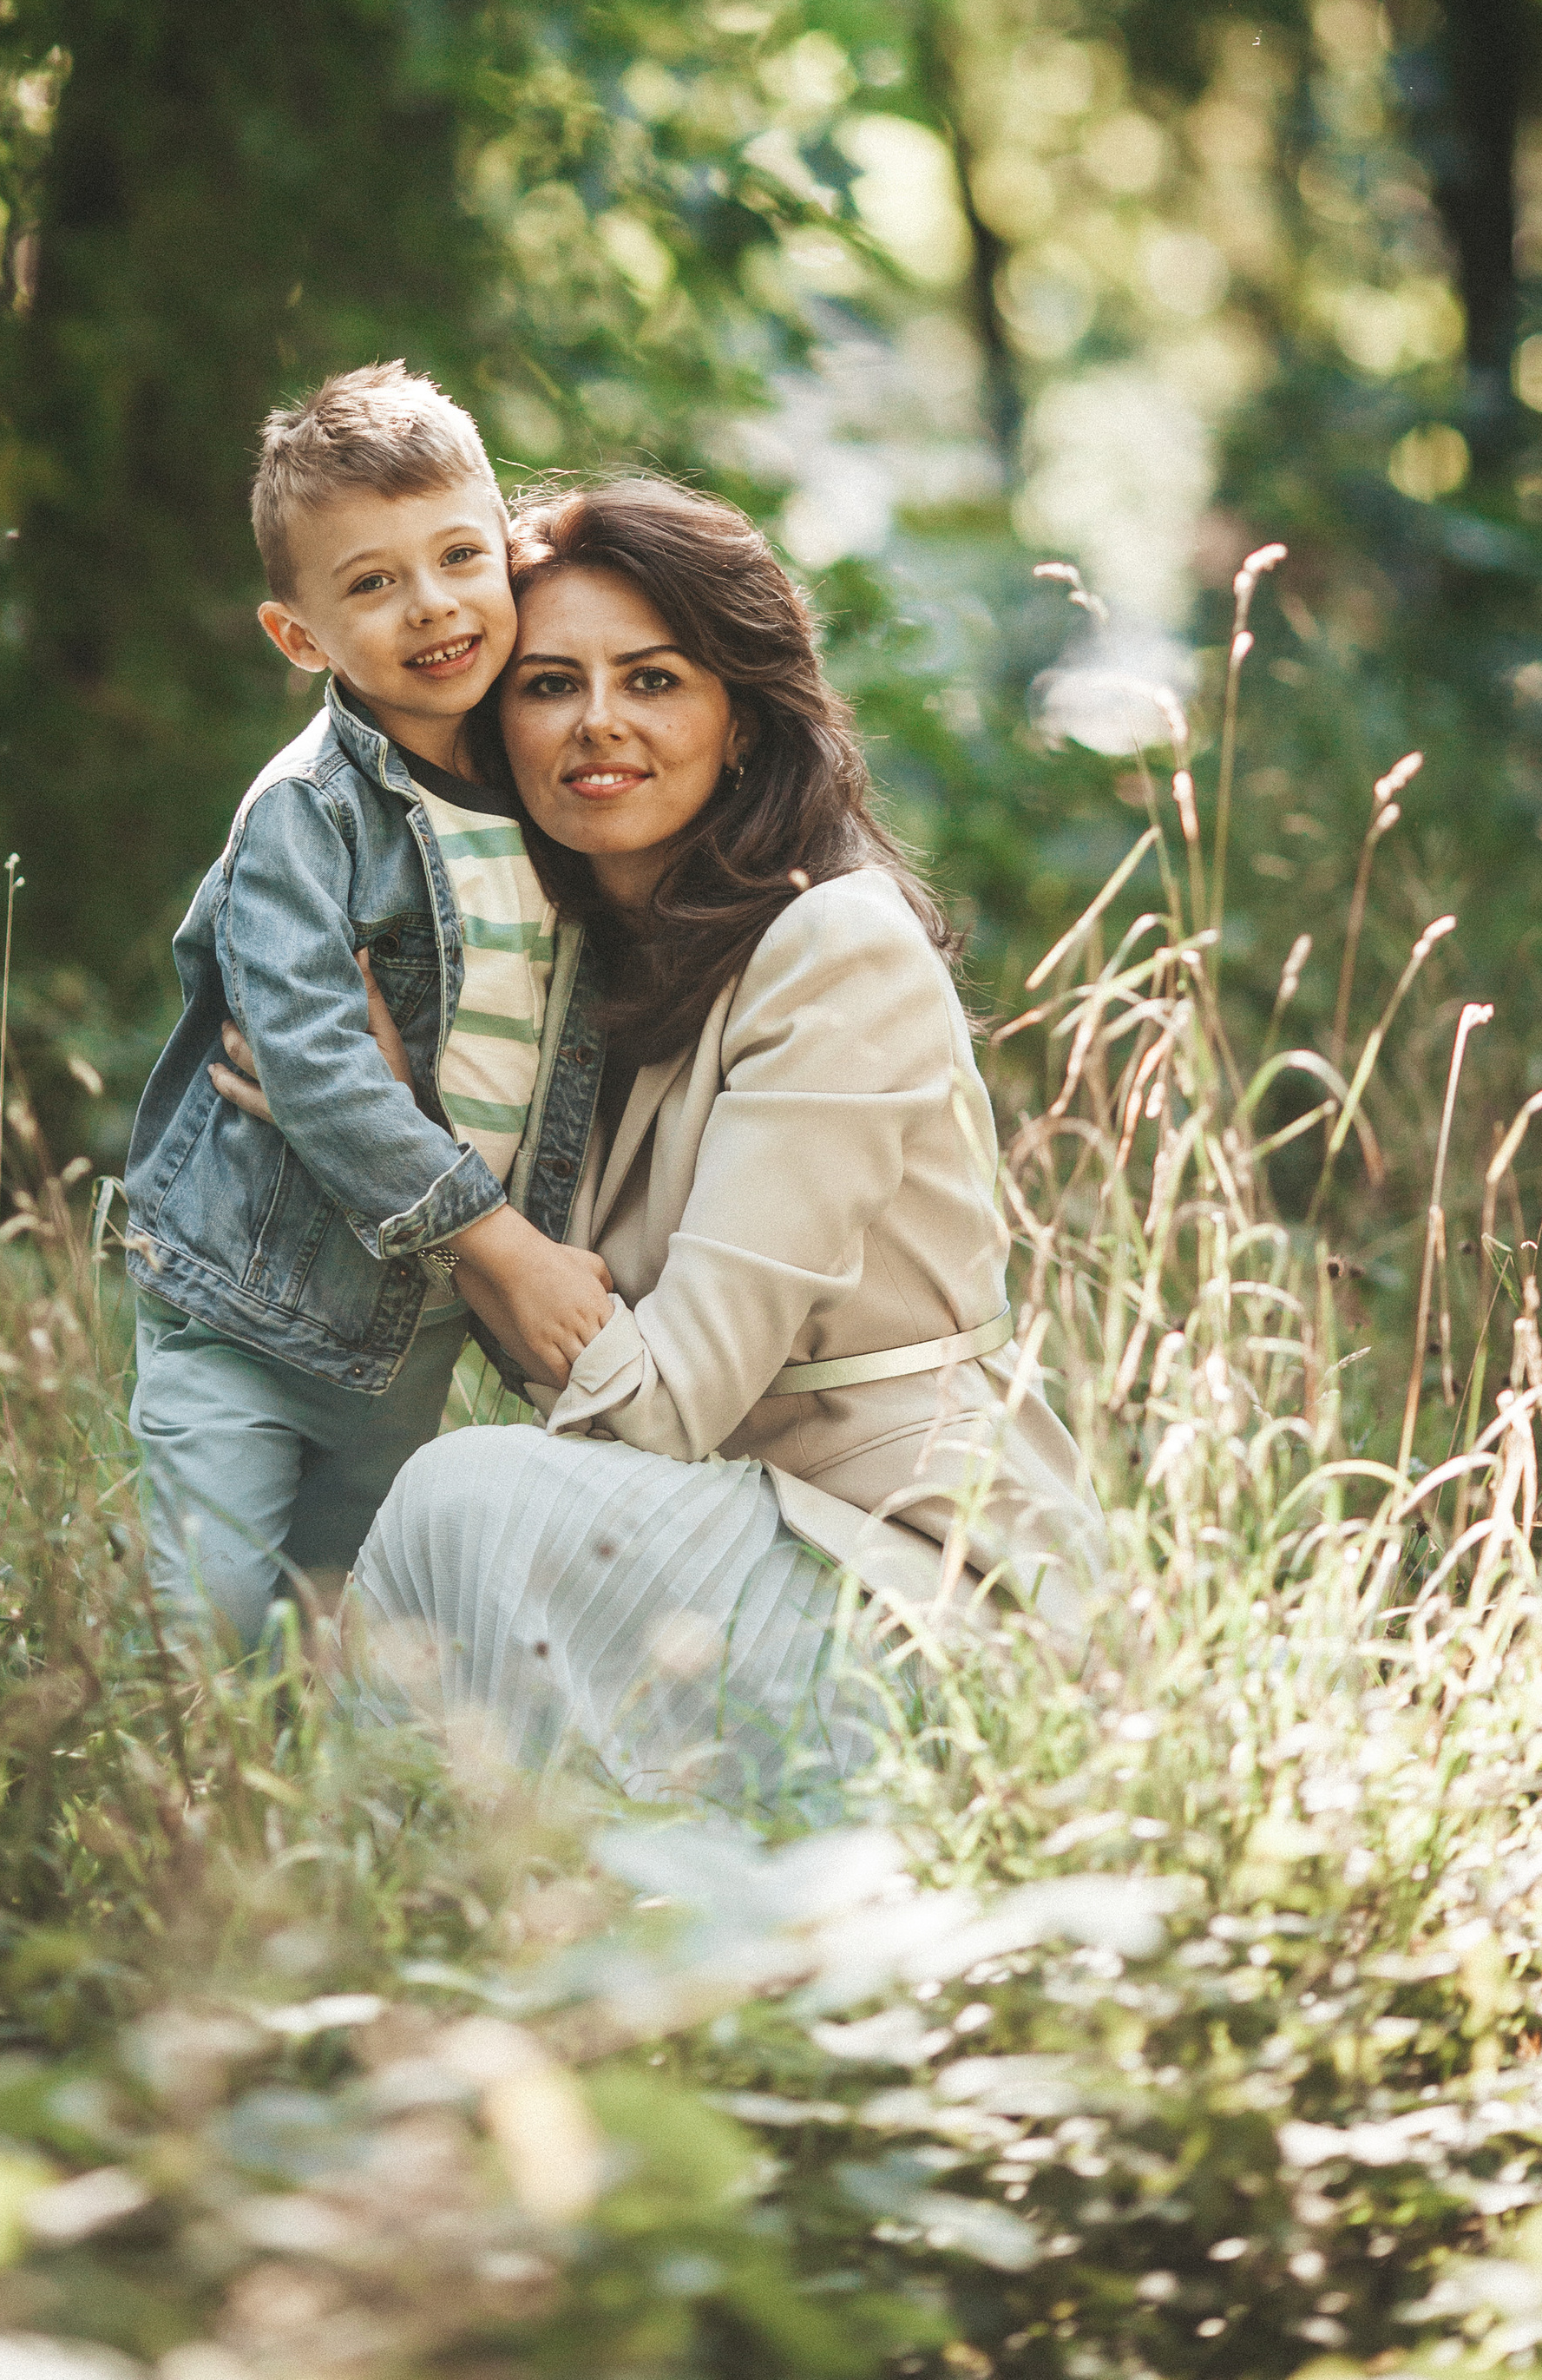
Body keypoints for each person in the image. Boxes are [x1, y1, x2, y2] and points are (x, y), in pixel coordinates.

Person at [339, 477, 1106, 1804]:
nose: (598, 725)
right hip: (737, 1540)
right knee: (364, 1528)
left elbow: (663, 1404)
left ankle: (441, 1903)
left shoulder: (833, 947)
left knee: (464, 1498)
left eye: (653, 680)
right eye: (546, 685)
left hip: (914, 1597)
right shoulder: (584, 971)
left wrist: (421, 1177)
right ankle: (424, 1920)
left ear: (740, 718)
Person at [122, 363, 611, 1651]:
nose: (434, 605)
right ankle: (160, 1830)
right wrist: (511, 1251)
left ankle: (289, 1842)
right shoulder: (308, 818)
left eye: (458, 555)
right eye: (372, 583)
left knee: (330, 1627)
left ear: (507, 553)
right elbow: (314, 1068)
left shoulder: (562, 779)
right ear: (301, 637)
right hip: (246, 1304)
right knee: (210, 1629)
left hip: (411, 1334)